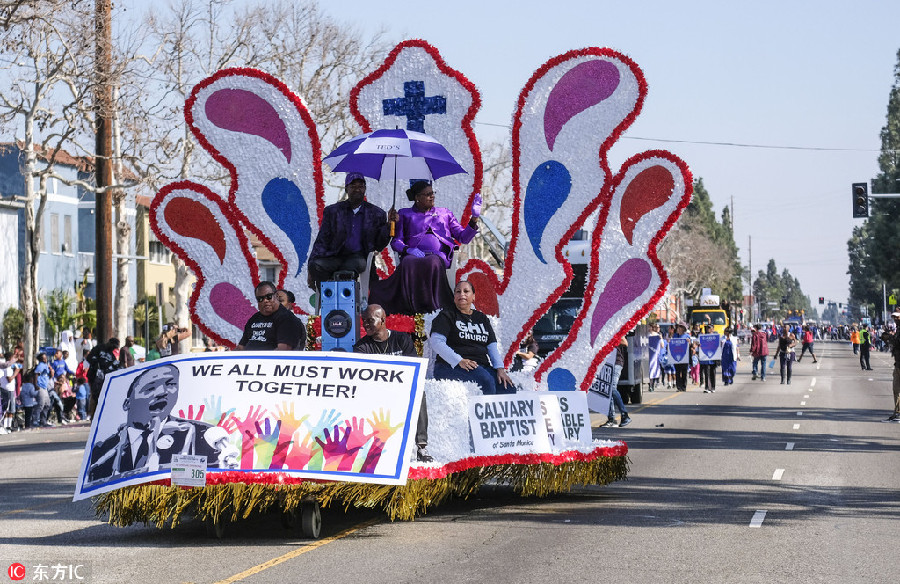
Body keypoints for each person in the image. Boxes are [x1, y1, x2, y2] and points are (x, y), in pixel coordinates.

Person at [87, 364, 237, 483]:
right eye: (150, 388)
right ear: (127, 403)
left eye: (170, 384)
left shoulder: (204, 436)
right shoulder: (102, 452)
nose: (162, 392)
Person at [370, 181, 480, 315]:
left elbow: (464, 237)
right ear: (417, 197)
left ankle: (435, 307)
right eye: (427, 194)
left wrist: (474, 218)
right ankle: (410, 309)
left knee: (432, 261)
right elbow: (396, 242)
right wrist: (407, 249)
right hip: (412, 255)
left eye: (432, 193)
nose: (432, 196)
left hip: (438, 256)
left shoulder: (444, 213)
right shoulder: (404, 214)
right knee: (408, 262)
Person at [354, 304, 433, 462]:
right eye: (364, 321)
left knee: (419, 392)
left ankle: (422, 447)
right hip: (376, 392)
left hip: (400, 388)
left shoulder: (402, 339)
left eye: (370, 320)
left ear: (382, 319)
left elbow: (412, 368)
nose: (366, 324)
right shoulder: (361, 347)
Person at [429, 280, 515, 395]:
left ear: (473, 297)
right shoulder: (446, 315)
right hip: (450, 365)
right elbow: (436, 342)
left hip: (480, 365)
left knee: (508, 388)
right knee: (486, 381)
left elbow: (491, 345)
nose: (462, 294)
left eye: (466, 291)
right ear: (454, 297)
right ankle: (485, 413)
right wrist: (459, 360)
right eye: (458, 292)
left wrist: (500, 369)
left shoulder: (481, 318)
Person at [307, 172, 391, 286]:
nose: (357, 190)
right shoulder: (333, 211)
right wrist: (311, 266)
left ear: (365, 189)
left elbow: (379, 244)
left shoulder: (376, 213)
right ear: (346, 189)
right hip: (334, 257)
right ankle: (328, 297)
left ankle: (342, 296)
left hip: (359, 257)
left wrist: (389, 225)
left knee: (348, 269)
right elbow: (322, 240)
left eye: (360, 186)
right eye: (353, 186)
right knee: (315, 265)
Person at [236, 281, 304, 351]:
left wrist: (258, 359)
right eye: (260, 299)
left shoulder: (287, 318)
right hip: (247, 360)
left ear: (276, 296)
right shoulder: (254, 319)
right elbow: (241, 347)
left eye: (269, 297)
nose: (265, 301)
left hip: (270, 360)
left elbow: (283, 350)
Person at [600, 337, 632, 428]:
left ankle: (624, 414)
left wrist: (609, 340)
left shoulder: (615, 330)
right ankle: (612, 419)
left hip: (616, 362)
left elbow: (625, 342)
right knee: (608, 389)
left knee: (611, 388)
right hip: (607, 363)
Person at [86, 338, 121, 418]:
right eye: (113, 346)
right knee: (94, 397)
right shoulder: (99, 348)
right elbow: (89, 358)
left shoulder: (111, 355)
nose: (113, 348)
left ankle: (101, 415)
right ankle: (93, 416)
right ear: (109, 342)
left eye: (115, 347)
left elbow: (115, 366)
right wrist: (96, 365)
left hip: (104, 379)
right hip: (94, 376)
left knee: (102, 396)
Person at [880, 311, 900, 422]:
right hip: (898, 363)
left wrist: (890, 337)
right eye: (894, 318)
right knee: (896, 389)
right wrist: (888, 338)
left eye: (897, 317)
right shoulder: (898, 330)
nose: (895, 319)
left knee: (897, 389)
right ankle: (897, 413)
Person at [699, 325, 718, 393]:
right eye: (708, 328)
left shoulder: (716, 336)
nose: (708, 329)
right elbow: (700, 345)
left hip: (713, 359)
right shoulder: (703, 337)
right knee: (706, 373)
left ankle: (712, 387)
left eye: (710, 328)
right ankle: (707, 387)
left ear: (713, 329)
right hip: (706, 359)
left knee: (712, 373)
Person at [672, 322, 691, 392]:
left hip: (684, 357)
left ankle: (683, 386)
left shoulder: (687, 336)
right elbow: (672, 344)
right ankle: (678, 387)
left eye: (681, 327)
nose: (679, 329)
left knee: (684, 372)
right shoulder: (675, 336)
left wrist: (689, 342)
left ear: (683, 329)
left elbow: (690, 344)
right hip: (676, 356)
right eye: (678, 327)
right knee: (677, 372)